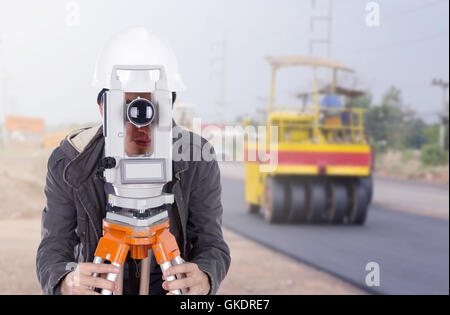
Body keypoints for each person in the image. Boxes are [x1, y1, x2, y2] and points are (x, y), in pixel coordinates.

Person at [36, 27, 230, 295]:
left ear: (170, 105)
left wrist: (206, 276)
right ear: (104, 108)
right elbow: (53, 248)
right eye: (130, 108)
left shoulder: (197, 157)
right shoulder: (70, 161)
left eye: (152, 108)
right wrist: (66, 282)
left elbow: (212, 244)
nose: (142, 123)